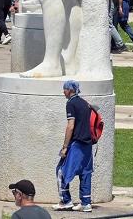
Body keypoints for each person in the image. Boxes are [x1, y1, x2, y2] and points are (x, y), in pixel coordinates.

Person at [54, 80, 93, 212]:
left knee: (61, 170)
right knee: (85, 173)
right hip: (87, 144)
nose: (63, 92)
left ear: (70, 90)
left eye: (64, 89)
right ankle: (86, 203)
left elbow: (71, 126)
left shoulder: (71, 103)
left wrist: (65, 146)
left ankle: (66, 201)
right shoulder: (84, 103)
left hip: (76, 144)